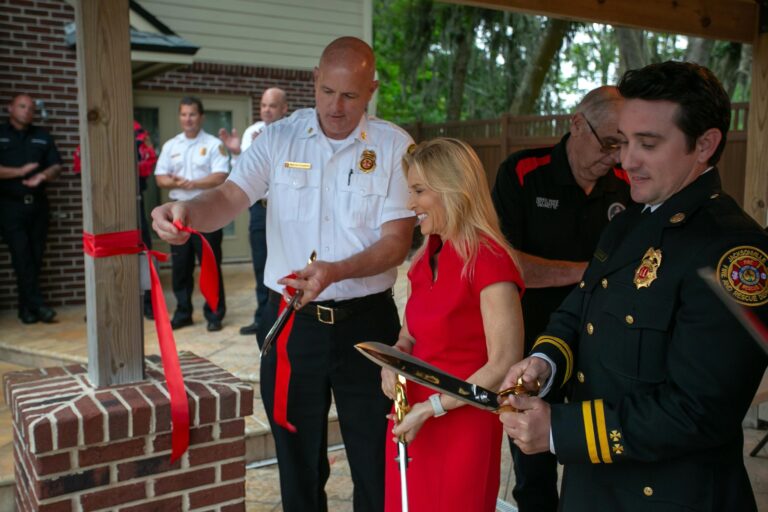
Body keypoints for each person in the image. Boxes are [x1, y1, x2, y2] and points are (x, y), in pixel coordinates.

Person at [151, 37, 415, 512]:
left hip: (369, 326)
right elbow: (229, 198)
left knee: (378, 457)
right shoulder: (276, 139)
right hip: (294, 323)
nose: (336, 107)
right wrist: (185, 211)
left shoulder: (395, 147)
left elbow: (397, 243)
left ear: (371, 89)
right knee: (296, 460)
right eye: (328, 91)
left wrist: (336, 271)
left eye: (351, 96)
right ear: (314, 79)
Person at [499, 61, 768, 511]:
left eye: (648, 143)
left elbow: (700, 411)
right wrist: (544, 363)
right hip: (594, 489)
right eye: (624, 142)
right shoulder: (629, 222)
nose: (626, 160)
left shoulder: (735, 253)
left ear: (705, 145)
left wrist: (560, 431)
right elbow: (578, 309)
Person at [491, 86, 631, 511]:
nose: (615, 156)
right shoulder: (523, 171)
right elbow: (505, 264)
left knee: (599, 457)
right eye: (609, 142)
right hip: (535, 348)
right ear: (575, 123)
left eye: (622, 146)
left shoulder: (628, 183)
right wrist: (592, 274)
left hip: (604, 347)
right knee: (533, 467)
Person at [380, 138, 525, 511]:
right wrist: (394, 359)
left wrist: (433, 408)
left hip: (461, 423)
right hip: (412, 417)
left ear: (452, 190)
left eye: (418, 191)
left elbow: (504, 362)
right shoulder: (426, 255)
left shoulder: (489, 261)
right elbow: (410, 334)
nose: (410, 204)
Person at [218, 87, 289, 336]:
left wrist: (267, 149)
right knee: (261, 264)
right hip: (259, 209)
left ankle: (286, 317)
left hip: (284, 209)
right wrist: (240, 151)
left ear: (284, 109)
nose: (266, 110)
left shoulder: (292, 133)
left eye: (272, 105)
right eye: (263, 105)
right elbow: (246, 173)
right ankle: (263, 317)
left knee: (286, 263)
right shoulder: (251, 132)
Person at [154, 96, 229, 332]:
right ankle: (183, 312)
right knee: (181, 266)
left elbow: (221, 176)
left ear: (201, 117)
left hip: (207, 211)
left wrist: (192, 183)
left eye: (193, 114)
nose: (188, 119)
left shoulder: (214, 144)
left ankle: (214, 313)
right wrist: (175, 181)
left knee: (210, 263)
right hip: (178, 213)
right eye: (184, 114)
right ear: (180, 117)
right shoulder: (171, 145)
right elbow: (160, 177)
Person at [74, 120, 158, 319]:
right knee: (101, 251)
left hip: (132, 198)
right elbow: (80, 163)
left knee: (143, 249)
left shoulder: (136, 129)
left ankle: (147, 303)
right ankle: (99, 302)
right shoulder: (92, 126)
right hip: (100, 201)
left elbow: (147, 163)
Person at [0, 93, 62, 324]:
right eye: (22, 106)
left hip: (38, 206)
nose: (27, 111)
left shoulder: (42, 136)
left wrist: (42, 176)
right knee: (21, 256)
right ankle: (38, 305)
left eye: (31, 108)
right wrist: (21, 171)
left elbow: (56, 165)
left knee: (35, 257)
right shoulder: (1, 134)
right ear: (10, 108)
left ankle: (26, 309)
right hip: (9, 207)